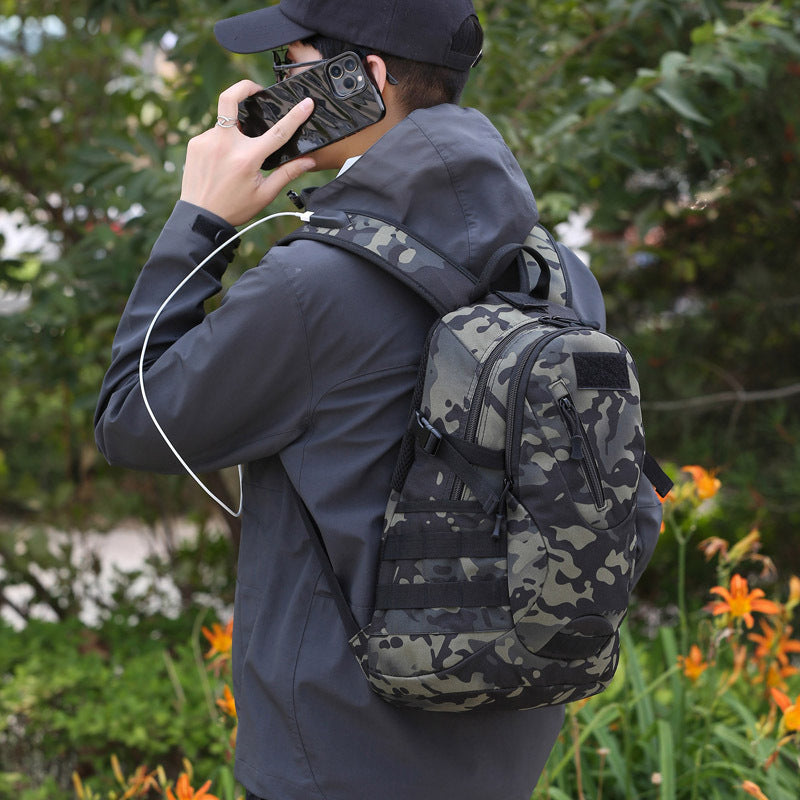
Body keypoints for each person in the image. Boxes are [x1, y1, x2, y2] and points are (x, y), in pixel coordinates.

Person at [95, 1, 662, 798]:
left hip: (330, 764)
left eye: (290, 63)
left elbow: (131, 420)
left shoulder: (310, 286)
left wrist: (200, 222)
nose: (270, 87)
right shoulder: (559, 272)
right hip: (506, 749)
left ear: (363, 79)